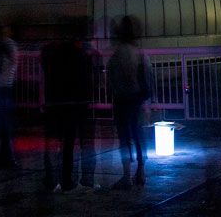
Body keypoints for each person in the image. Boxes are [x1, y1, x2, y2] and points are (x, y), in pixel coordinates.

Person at [40, 21, 97, 192]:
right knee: (70, 144)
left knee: (53, 143)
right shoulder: (80, 54)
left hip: (55, 103)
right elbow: (86, 78)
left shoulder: (50, 53)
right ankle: (68, 178)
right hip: (74, 103)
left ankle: (52, 179)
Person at [107, 15, 152, 190]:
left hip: (122, 101)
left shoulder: (117, 55)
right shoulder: (140, 55)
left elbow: (111, 79)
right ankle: (141, 171)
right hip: (137, 100)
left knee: (124, 138)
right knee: (138, 135)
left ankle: (126, 175)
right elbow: (148, 77)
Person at [0, 25, 19, 168]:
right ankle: (7, 157)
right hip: (5, 86)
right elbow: (14, 61)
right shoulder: (8, 44)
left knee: (1, 121)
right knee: (6, 123)